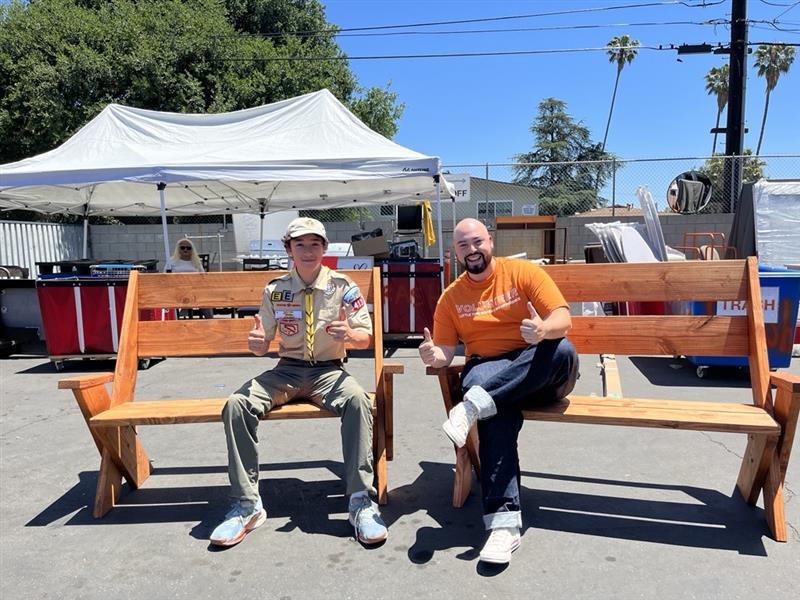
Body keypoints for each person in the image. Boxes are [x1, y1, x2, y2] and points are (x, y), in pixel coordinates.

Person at [210, 217, 388, 547]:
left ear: (324, 248)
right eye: (300, 244)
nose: (308, 251)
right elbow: (262, 341)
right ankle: (247, 505)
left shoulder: (343, 286)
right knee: (237, 404)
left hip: (329, 371)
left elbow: (366, 337)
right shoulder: (275, 290)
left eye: (315, 244)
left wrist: (350, 334)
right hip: (287, 371)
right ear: (288, 249)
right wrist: (257, 344)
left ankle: (360, 500)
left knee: (358, 400)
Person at [418, 218, 579, 565]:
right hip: (490, 371)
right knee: (494, 406)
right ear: (455, 251)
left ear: (490, 241)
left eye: (477, 241)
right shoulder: (451, 297)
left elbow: (563, 319)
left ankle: (472, 406)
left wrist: (543, 329)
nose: (472, 250)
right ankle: (504, 526)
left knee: (562, 349)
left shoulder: (523, 273)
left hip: (540, 370)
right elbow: (445, 351)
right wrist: (434, 356)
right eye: (463, 245)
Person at [163, 238, 213, 318]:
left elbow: (203, 276)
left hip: (195, 290)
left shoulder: (196, 262)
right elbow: (165, 276)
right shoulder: (171, 262)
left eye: (188, 248)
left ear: (192, 250)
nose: (185, 250)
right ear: (178, 249)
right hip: (177, 290)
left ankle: (210, 319)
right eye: (182, 248)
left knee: (205, 297)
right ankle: (183, 310)